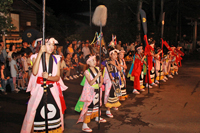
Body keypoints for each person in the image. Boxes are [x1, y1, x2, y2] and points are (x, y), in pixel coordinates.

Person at [21, 37, 68, 133]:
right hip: (39, 90)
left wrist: (49, 77)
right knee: (36, 112)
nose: (51, 47)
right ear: (43, 45)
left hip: (53, 90)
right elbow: (34, 72)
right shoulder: (34, 57)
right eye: (49, 44)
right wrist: (39, 54)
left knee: (55, 112)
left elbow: (58, 77)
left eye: (53, 44)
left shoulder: (56, 59)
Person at [77, 55, 106, 132]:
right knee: (89, 107)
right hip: (90, 92)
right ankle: (84, 125)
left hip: (97, 90)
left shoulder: (98, 69)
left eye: (95, 60)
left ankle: (97, 117)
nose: (95, 62)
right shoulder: (87, 72)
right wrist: (97, 76)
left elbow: (101, 78)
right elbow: (90, 82)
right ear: (88, 62)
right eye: (92, 60)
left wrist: (101, 83)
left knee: (97, 105)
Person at [103, 49, 121, 118]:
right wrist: (112, 79)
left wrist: (115, 65)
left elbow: (119, 69)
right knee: (109, 93)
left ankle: (114, 104)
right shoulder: (108, 62)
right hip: (110, 79)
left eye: (116, 54)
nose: (115, 56)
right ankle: (108, 110)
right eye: (114, 54)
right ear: (110, 55)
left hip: (116, 77)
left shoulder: (116, 61)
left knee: (115, 93)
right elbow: (109, 72)